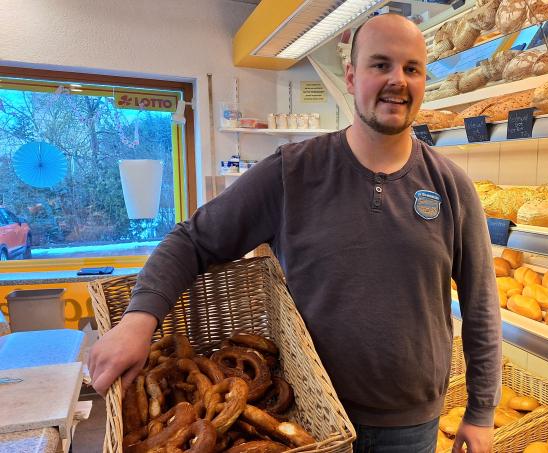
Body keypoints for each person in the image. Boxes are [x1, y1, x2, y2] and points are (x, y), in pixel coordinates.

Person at [89, 13, 501, 453]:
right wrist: (139, 320)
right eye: (380, 65)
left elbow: (480, 304)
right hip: (311, 418)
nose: (397, 80)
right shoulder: (292, 173)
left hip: (412, 426)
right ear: (350, 76)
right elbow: (192, 240)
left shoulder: (451, 185)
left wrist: (481, 412)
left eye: (412, 68)